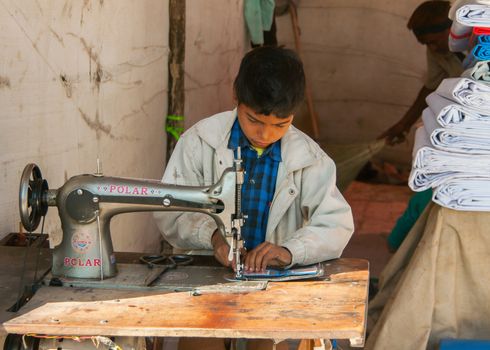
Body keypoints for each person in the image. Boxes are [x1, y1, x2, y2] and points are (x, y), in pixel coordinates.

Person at [154, 45, 354, 275]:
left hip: (274, 283)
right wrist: (213, 236)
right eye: (254, 120)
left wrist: (290, 251)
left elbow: (336, 224)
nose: (265, 135)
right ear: (235, 96)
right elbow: (170, 209)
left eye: (280, 125)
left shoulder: (310, 160)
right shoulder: (199, 142)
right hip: (204, 273)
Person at [378, 0, 464, 145]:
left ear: (451, 29)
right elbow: (431, 86)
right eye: (426, 44)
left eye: (434, 42)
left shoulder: (481, 45)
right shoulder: (437, 50)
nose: (432, 49)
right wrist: (404, 124)